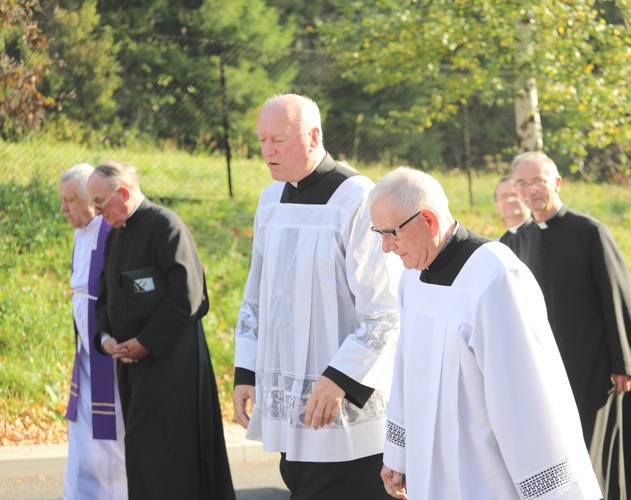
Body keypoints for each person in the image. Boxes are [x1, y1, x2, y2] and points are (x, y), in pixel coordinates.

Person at [370, 166, 601, 499]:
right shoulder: (413, 277)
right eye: (379, 233)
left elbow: (527, 394)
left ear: (429, 221)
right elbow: (407, 372)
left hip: (483, 474)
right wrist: (397, 453)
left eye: (391, 233)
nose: (385, 247)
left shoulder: (494, 276)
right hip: (428, 471)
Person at [232, 93, 402, 499]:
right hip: (292, 405)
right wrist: (247, 372)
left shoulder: (358, 198)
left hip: (344, 405)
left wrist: (340, 378)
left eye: (278, 139)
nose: (267, 151)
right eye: (261, 141)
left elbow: (386, 309)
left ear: (313, 135)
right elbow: (256, 295)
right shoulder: (270, 200)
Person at [87, 160, 235, 500]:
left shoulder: (165, 225)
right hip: (131, 366)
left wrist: (145, 342)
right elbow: (104, 296)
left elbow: (190, 296)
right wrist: (106, 338)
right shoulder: (115, 236)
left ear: (123, 193)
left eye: (99, 203)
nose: (96, 212)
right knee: (143, 451)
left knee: (167, 453)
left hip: (172, 365)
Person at [509, 151, 631, 498]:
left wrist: (623, 363)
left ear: (557, 183)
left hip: (591, 365)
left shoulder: (590, 231)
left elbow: (615, 298)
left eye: (538, 181)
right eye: (522, 184)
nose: (531, 191)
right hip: (541, 366)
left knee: (589, 451)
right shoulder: (516, 240)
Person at [58, 163, 127, 500]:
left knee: (110, 430)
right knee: (82, 425)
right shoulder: (78, 233)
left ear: (92, 200)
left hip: (108, 347)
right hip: (85, 348)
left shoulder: (109, 230)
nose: (63, 209)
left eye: (70, 200)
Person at [494, 176, 531, 246]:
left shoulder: (542, 233)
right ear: (496, 204)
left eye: (514, 194)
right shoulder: (498, 246)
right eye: (503, 196)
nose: (509, 200)